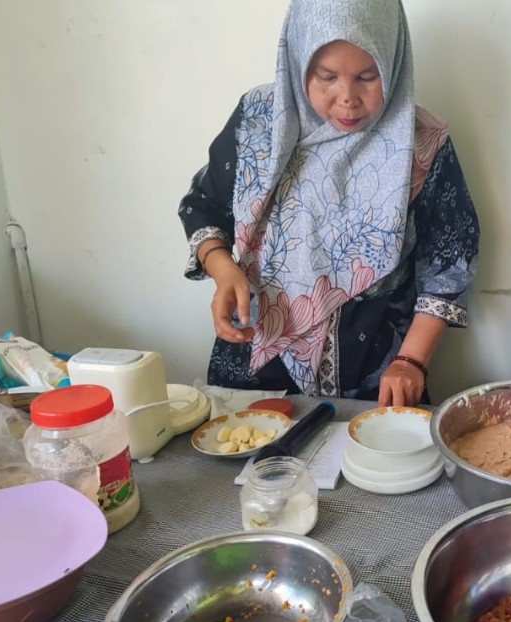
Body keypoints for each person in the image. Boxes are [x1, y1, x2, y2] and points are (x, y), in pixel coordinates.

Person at [178, 0, 479, 407]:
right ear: (299, 59)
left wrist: (412, 360)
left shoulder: (420, 143)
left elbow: (449, 263)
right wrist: (222, 267)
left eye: (368, 76)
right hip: (255, 371)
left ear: (393, 59)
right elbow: (204, 205)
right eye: (327, 77)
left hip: (377, 380)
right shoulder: (258, 122)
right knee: (246, 468)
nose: (348, 97)